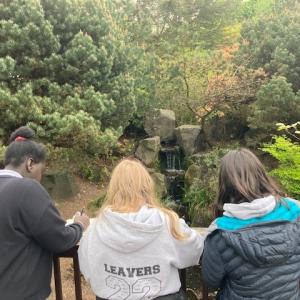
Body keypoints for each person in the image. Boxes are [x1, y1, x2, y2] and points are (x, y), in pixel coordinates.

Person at [78, 158, 204, 300]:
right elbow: (195, 249)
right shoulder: (168, 222)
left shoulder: (96, 228)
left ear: (113, 188)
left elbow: (87, 269)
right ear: (147, 186)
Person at [0, 126, 90, 300]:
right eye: (42, 171)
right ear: (30, 163)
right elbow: (60, 238)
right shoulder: (26, 188)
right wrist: (79, 224)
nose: (41, 178)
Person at [201, 148, 300, 300]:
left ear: (225, 184)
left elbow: (211, 280)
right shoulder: (295, 212)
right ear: (261, 175)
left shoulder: (220, 233)